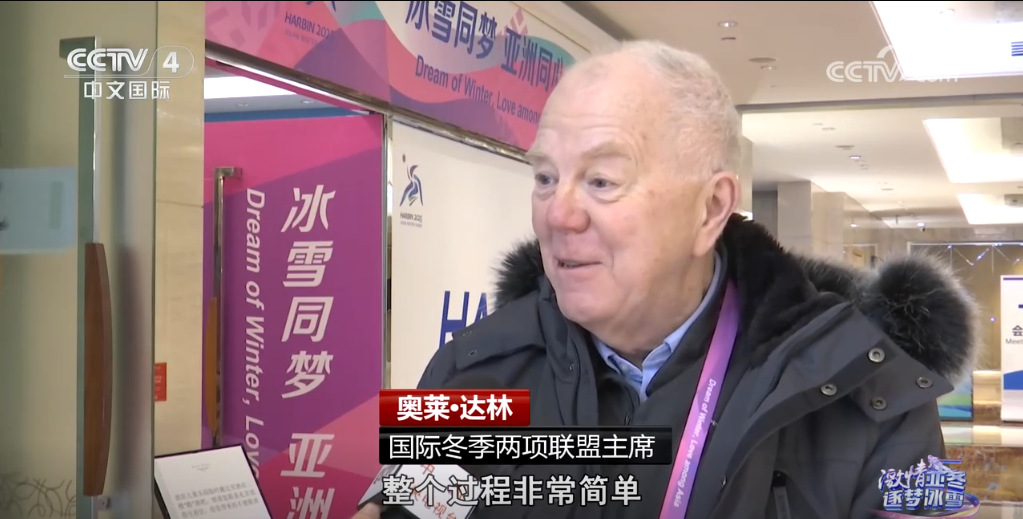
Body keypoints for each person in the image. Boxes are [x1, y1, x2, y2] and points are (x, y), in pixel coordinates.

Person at [355, 41, 978, 519]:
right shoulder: (472, 370)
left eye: (602, 181)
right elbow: (407, 509)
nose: (557, 215)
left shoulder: (870, 395)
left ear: (710, 209)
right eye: (545, 177)